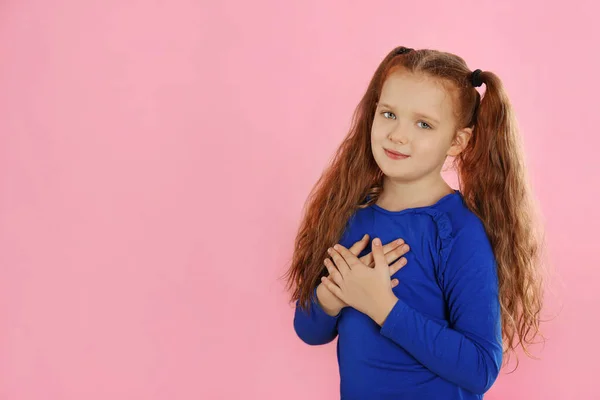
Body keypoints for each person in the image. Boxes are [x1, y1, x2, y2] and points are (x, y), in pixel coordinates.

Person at [283, 46, 545, 399]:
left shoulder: (458, 232)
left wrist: (383, 307)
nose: (398, 135)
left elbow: (481, 367)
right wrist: (330, 298)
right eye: (389, 114)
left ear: (457, 141)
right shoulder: (350, 213)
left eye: (423, 124)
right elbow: (309, 330)